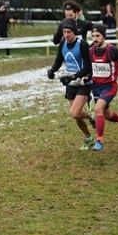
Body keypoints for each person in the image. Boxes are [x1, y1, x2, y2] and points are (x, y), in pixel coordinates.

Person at [46, 20, 94, 150]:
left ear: (75, 32)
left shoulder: (82, 44)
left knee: (74, 112)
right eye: (64, 32)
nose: (66, 35)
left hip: (84, 82)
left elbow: (89, 67)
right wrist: (52, 70)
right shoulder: (63, 43)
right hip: (70, 84)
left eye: (69, 32)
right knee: (77, 116)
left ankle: (91, 116)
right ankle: (88, 137)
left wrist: (73, 76)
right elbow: (58, 61)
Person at [86, 24, 118, 151]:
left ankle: (99, 141)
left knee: (97, 109)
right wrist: (85, 77)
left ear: (104, 36)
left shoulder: (112, 50)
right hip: (96, 87)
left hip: (109, 86)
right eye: (93, 36)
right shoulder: (90, 50)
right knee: (106, 114)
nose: (95, 39)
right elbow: (89, 68)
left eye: (98, 36)